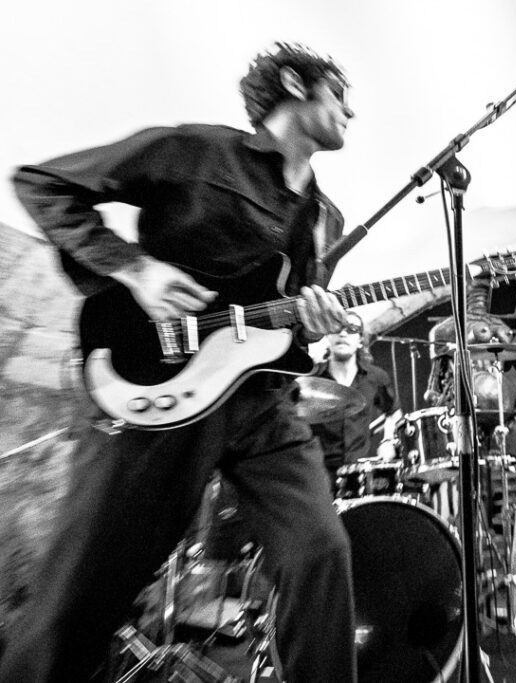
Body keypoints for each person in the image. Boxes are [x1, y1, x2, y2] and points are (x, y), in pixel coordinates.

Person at [0, 43, 358, 682]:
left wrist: (314, 320)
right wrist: (135, 269)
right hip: (157, 388)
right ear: (293, 82)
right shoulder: (197, 151)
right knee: (79, 599)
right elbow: (43, 184)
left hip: (261, 405)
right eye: (339, 94)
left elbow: (287, 321)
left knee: (320, 554)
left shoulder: (326, 219)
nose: (351, 111)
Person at [311, 310, 402, 475]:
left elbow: (393, 411)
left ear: (360, 341)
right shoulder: (312, 379)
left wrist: (388, 440)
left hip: (358, 473)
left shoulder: (376, 377)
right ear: (328, 336)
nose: (343, 333)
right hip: (317, 472)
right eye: (337, 328)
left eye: (352, 329)